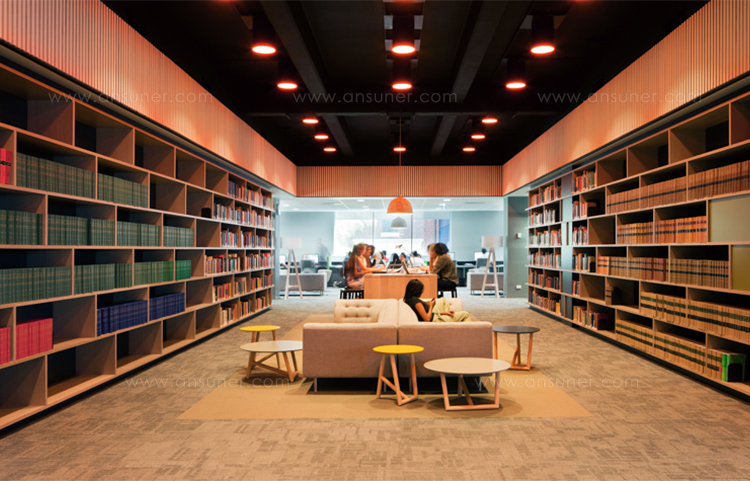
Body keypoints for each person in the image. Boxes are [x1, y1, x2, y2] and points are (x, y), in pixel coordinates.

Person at [402, 279, 471, 322]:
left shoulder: (409, 300)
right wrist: (431, 306)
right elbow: (427, 319)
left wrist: (445, 313)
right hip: (437, 320)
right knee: (466, 314)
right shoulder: (416, 302)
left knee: (443, 300)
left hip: (436, 317)